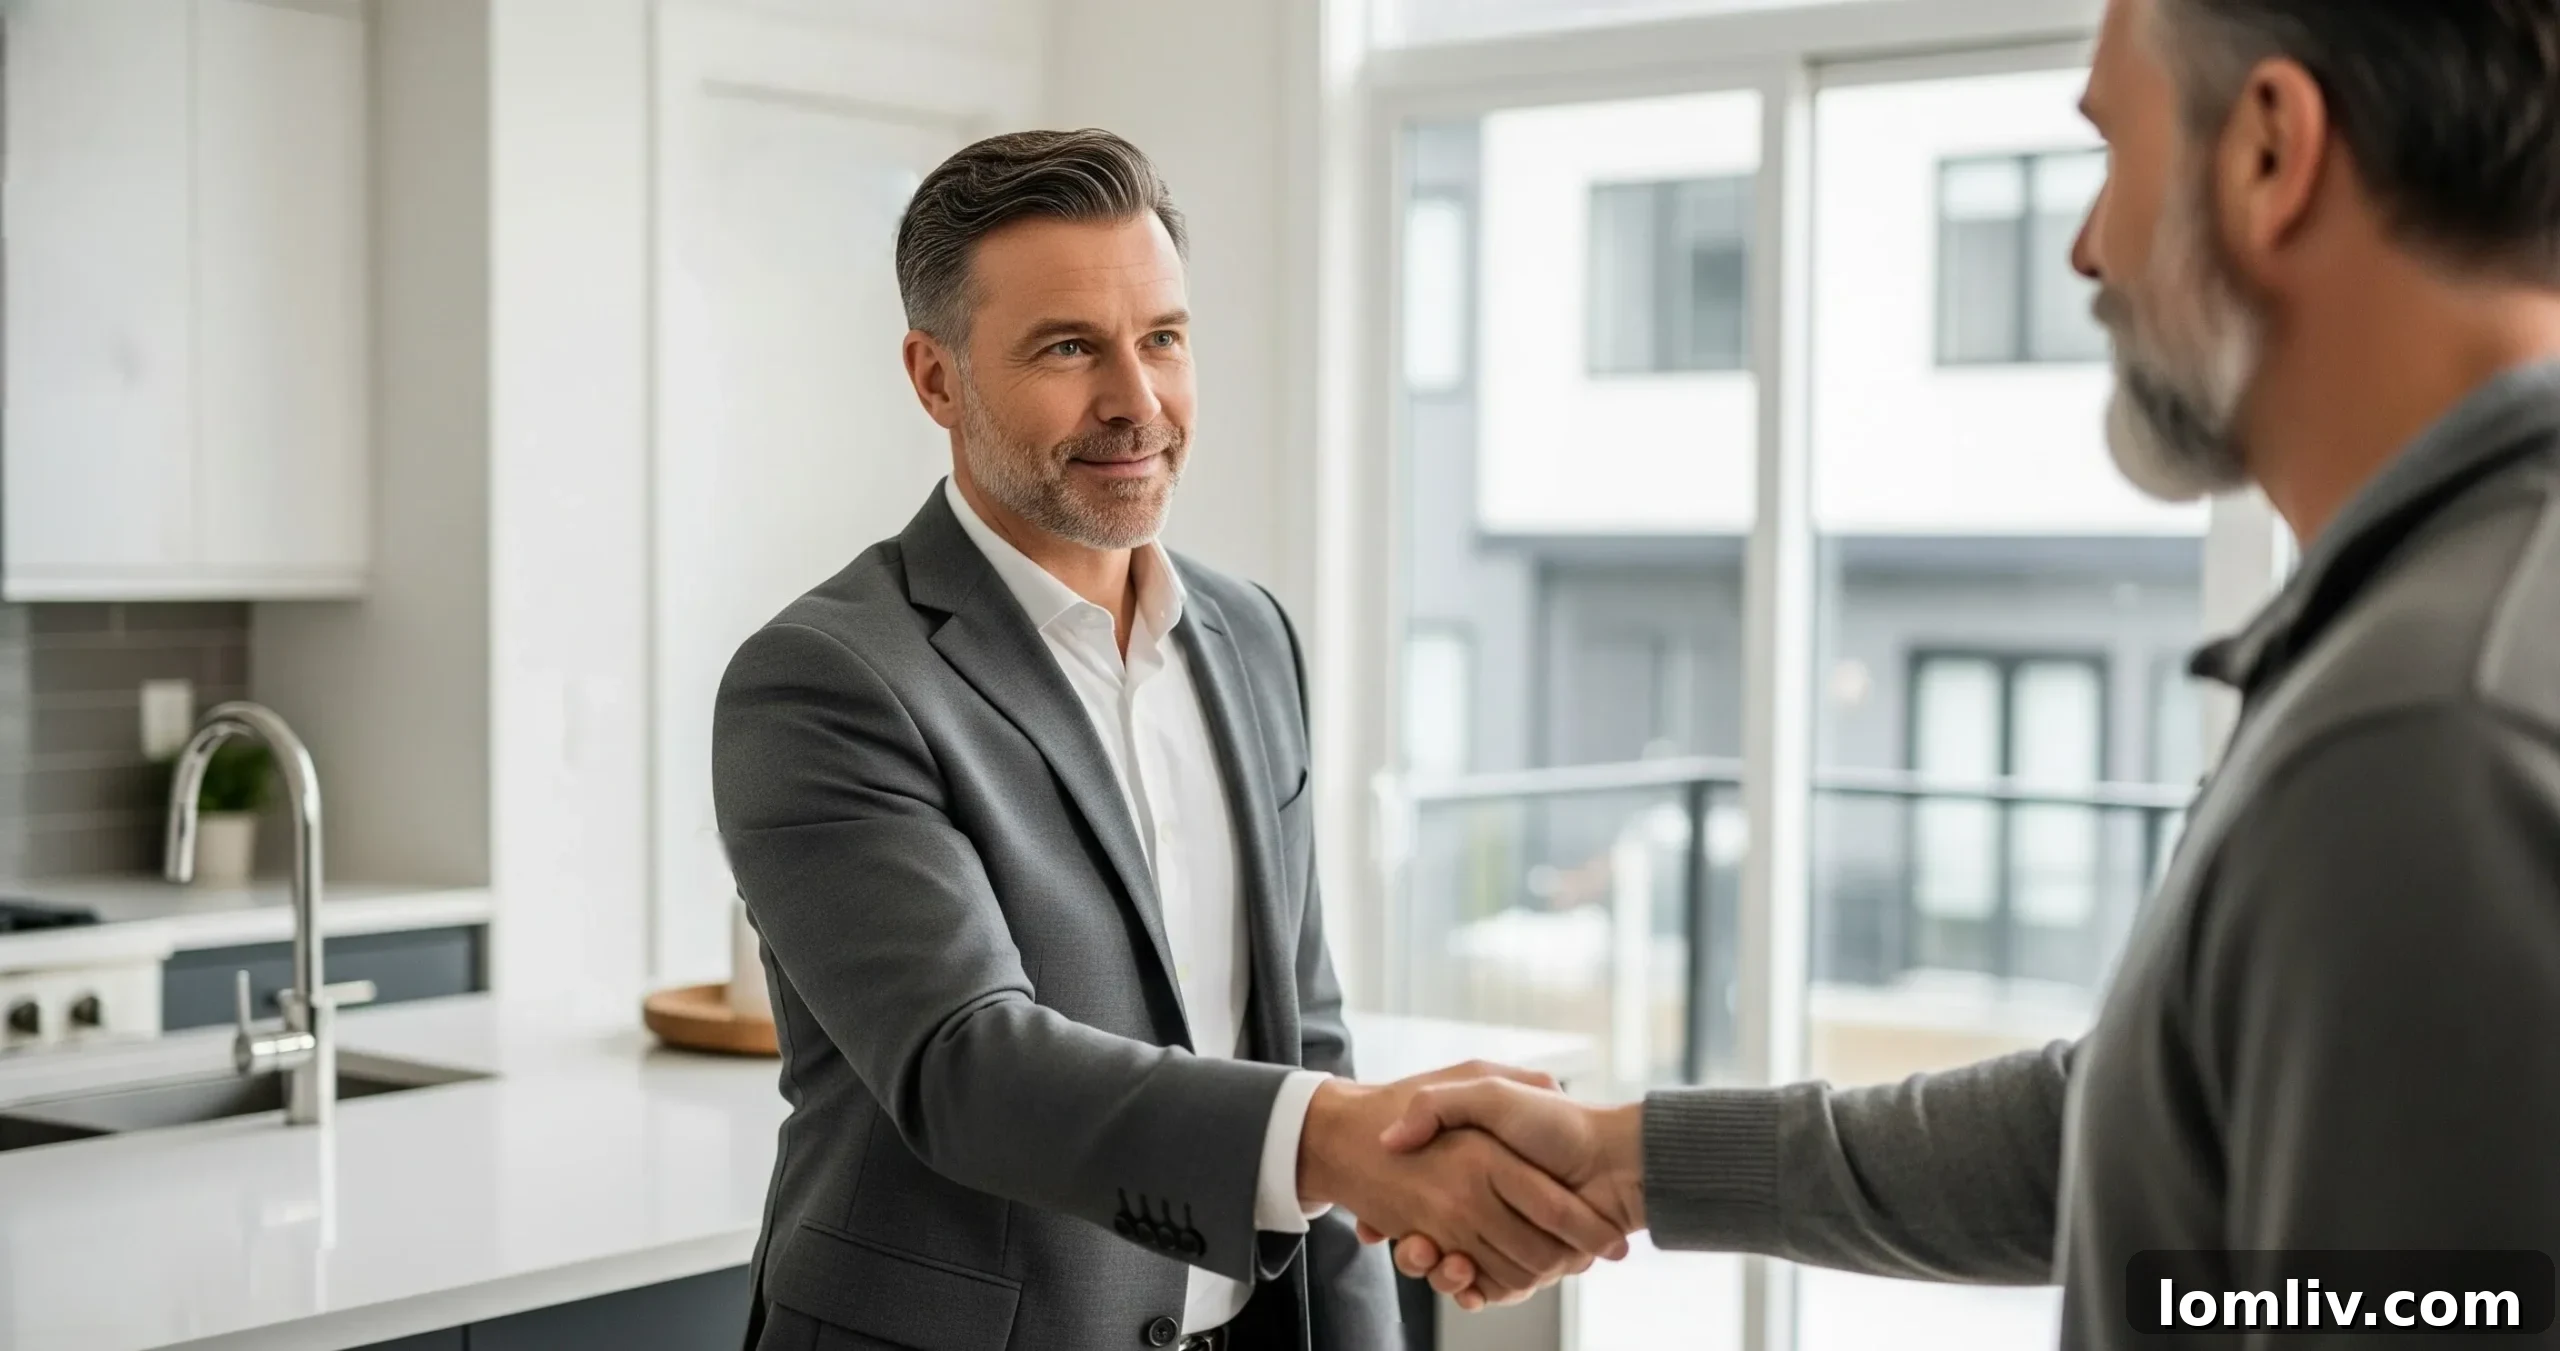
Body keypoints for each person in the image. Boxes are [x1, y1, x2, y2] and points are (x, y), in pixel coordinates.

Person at [1375, 0, 2560, 1344]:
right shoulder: (2440, 636)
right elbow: (2142, 1120)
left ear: (2272, 153)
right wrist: (1633, 1154)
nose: (2087, 244)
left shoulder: (2428, 735)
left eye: (2115, 153)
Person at [712, 129, 1624, 1351]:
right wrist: (1341, 1135)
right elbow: (969, 1069)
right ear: (936, 380)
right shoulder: (826, 678)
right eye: (1069, 347)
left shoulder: (1249, 635)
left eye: (1164, 339)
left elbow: (1303, 1030)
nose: (1136, 403)